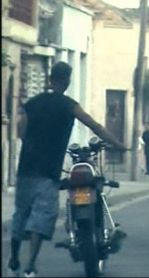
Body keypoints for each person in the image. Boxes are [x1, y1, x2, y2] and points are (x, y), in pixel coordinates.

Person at [7, 61, 128, 277]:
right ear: (67, 80)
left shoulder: (32, 103)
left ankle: (14, 257)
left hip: (26, 170)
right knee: (40, 219)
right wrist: (118, 144)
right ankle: (30, 265)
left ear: (50, 78)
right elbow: (93, 125)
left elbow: (20, 130)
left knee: (21, 215)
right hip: (48, 173)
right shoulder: (68, 105)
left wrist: (32, 142)